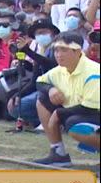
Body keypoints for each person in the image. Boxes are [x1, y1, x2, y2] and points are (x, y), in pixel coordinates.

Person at [33, 32, 100, 166]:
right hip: (81, 112)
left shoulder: (94, 72)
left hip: (94, 113)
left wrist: (58, 113)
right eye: (56, 50)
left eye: (64, 50)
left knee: (76, 125)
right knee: (42, 99)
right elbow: (40, 82)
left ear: (77, 52)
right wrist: (50, 89)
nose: (58, 54)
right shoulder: (60, 70)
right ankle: (58, 153)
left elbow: (90, 108)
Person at [7, 19, 59, 129]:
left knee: (36, 99)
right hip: (41, 88)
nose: (41, 36)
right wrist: (17, 95)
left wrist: (28, 51)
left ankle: (53, 121)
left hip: (57, 89)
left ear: (53, 33)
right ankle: (42, 120)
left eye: (44, 32)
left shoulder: (58, 48)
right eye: (38, 34)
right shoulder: (40, 51)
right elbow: (34, 80)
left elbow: (51, 65)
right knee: (15, 107)